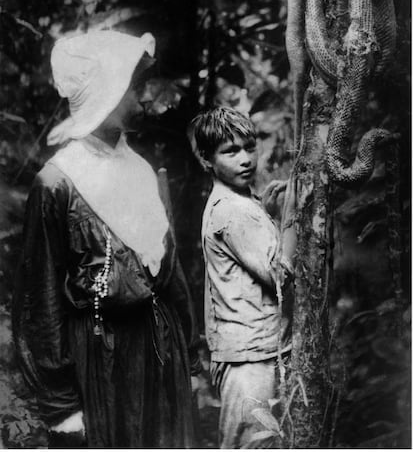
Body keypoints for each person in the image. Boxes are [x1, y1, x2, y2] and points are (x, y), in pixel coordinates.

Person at [12, 30, 201, 448]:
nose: (144, 99)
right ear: (107, 92)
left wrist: (190, 358)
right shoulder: (57, 183)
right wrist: (61, 405)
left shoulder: (141, 170)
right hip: (100, 359)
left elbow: (171, 277)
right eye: (134, 88)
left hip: (158, 352)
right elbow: (40, 301)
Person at [191, 106, 296, 449]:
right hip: (249, 359)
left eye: (249, 147)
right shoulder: (233, 211)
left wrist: (266, 212)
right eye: (230, 151)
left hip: (251, 351)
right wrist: (294, 210)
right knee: (253, 445)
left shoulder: (239, 201)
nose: (245, 159)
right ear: (207, 159)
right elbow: (282, 276)